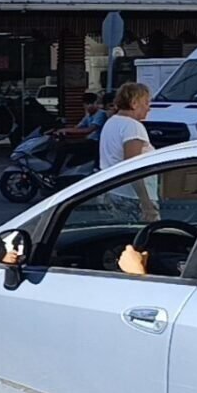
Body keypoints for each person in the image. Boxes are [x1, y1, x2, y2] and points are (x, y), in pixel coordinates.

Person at [98, 82, 157, 276]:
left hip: (114, 191)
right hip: (132, 196)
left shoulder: (112, 122)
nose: (149, 108)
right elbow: (133, 167)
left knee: (121, 240)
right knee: (143, 242)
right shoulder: (133, 127)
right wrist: (146, 203)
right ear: (134, 103)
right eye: (146, 102)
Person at [49, 92, 107, 174]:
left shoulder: (100, 114)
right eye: (87, 104)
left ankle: (53, 172)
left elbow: (89, 130)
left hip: (96, 144)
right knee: (64, 145)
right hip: (88, 141)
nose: (89, 106)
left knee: (64, 148)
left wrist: (65, 130)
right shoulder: (88, 115)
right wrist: (61, 130)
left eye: (91, 103)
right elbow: (77, 127)